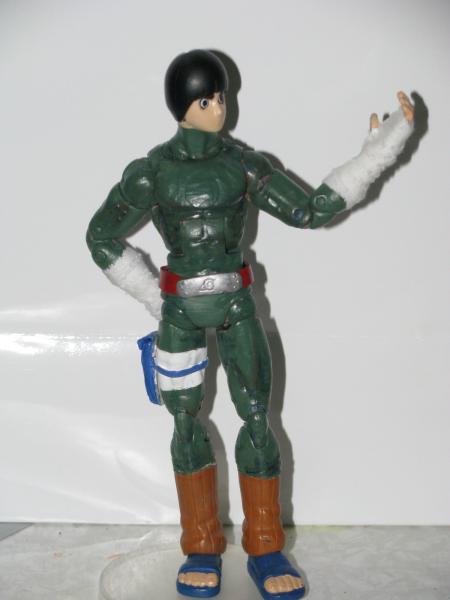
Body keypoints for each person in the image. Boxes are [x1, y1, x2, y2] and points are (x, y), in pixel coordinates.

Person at [86, 49, 414, 599]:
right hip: (180, 312)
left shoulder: (244, 165)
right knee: (185, 424)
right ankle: (201, 545)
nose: (220, 109)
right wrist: (149, 295)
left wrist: (378, 151)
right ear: (183, 106)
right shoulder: (151, 173)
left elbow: (310, 210)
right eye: (207, 100)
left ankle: (265, 546)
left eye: (222, 97)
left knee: (258, 420)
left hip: (237, 305)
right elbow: (100, 236)